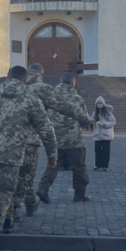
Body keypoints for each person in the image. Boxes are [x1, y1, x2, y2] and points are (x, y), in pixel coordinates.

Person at [0, 66, 57, 251]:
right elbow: (46, 130)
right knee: (4, 191)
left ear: (7, 76)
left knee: (2, 188)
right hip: (12, 155)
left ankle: (8, 220)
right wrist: (52, 156)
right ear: (25, 80)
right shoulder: (30, 100)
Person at [37, 73, 95, 203]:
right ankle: (80, 194)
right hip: (73, 140)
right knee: (79, 167)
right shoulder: (77, 98)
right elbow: (83, 117)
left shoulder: (50, 97)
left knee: (53, 165)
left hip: (55, 139)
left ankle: (43, 187)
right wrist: (88, 123)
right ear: (73, 83)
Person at [15, 64, 61, 220]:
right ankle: (15, 209)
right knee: (25, 177)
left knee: (18, 177)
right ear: (42, 73)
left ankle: (27, 206)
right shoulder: (42, 93)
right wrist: (52, 155)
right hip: (31, 143)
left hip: (11, 142)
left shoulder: (12, 91)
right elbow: (47, 129)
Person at [92, 97, 116, 172]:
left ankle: (105, 165)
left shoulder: (108, 113)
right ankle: (98, 165)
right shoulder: (94, 113)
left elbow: (113, 122)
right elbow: (91, 121)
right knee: (97, 150)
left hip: (106, 135)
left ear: (103, 104)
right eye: (98, 103)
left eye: (101, 103)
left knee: (106, 151)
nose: (99, 105)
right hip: (97, 135)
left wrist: (104, 124)